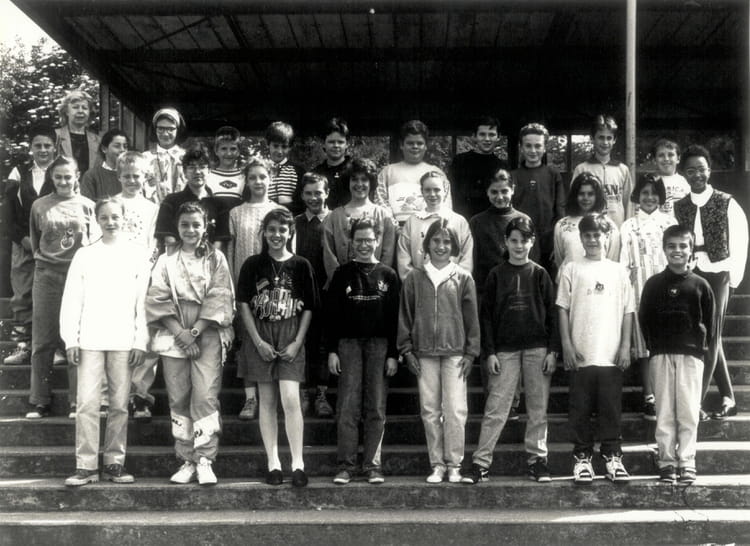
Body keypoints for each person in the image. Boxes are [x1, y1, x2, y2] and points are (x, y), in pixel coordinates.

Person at [462, 217, 559, 485]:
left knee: (537, 410)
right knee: (496, 408)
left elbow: (552, 315)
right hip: (505, 351)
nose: (519, 245)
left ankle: (537, 461)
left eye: (524, 240)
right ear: (506, 242)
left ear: (532, 242)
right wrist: (490, 352)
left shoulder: (539, 274)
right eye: (513, 240)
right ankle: (481, 463)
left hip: (537, 349)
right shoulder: (496, 274)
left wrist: (553, 351)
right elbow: (486, 317)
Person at [61, 198, 150, 487]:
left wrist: (140, 340)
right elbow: (72, 299)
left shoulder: (137, 254)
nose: (110, 222)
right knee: (87, 403)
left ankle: (114, 463)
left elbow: (143, 302)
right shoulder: (85, 255)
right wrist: (71, 339)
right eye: (104, 217)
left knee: (119, 405)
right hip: (90, 339)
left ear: (124, 219)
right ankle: (86, 466)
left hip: (124, 340)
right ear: (97, 220)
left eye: (115, 217)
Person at [145, 201, 234, 485]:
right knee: (179, 396)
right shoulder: (165, 260)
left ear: (205, 226)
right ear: (177, 226)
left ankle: (205, 458)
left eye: (196, 224)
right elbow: (156, 298)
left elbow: (220, 295)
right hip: (173, 327)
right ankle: (186, 459)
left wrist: (194, 332)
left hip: (206, 327)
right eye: (185, 224)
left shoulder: (215, 258)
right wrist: (180, 333)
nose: (190, 230)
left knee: (205, 394)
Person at [237, 208, 318, 488]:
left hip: (290, 332)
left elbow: (309, 307)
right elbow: (243, 304)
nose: (276, 235)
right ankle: (273, 463)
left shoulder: (301, 265)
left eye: (282, 230)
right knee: (267, 401)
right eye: (271, 229)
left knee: (291, 399)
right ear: (264, 232)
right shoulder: (252, 264)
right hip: (261, 332)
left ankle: (298, 463)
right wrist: (257, 342)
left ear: (290, 232)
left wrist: (297, 342)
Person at [398, 219, 479, 484]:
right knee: (430, 410)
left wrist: (471, 353)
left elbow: (472, 320)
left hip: (455, 353)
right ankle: (437, 465)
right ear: (427, 244)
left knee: (455, 410)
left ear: (454, 245)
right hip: (424, 354)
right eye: (436, 241)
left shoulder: (463, 278)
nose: (441, 246)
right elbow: (405, 316)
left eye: (446, 241)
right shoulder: (414, 278)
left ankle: (454, 464)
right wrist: (407, 350)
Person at [557, 214, 635, 485]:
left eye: (597, 235)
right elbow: (562, 308)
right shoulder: (571, 269)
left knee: (610, 408)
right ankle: (582, 458)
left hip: (610, 354)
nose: (592, 240)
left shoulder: (618, 271)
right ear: (581, 238)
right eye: (587, 235)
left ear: (607, 237)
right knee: (580, 409)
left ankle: (613, 457)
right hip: (581, 354)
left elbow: (628, 311)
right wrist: (567, 345)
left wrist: (625, 346)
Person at [674, 145, 749, 419]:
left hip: (719, 272)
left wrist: (733, 277)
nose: (697, 175)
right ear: (684, 173)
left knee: (711, 336)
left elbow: (740, 240)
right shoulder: (680, 206)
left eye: (701, 169)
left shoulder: (726, 202)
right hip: (692, 273)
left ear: (710, 170)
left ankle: (696, 401)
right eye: (691, 170)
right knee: (704, 335)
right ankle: (729, 398)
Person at [639, 225, 715, 485]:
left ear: (691, 249)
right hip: (661, 354)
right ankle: (667, 462)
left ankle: (687, 460)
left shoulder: (701, 285)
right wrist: (655, 347)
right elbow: (644, 318)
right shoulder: (653, 285)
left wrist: (698, 350)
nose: (677, 251)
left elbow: (710, 324)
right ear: (664, 249)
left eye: (683, 246)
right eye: (672, 246)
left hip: (691, 356)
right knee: (665, 411)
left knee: (688, 410)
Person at [25, 156, 100, 419]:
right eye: (58, 177)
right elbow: (36, 240)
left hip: (77, 276)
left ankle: (76, 401)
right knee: (43, 340)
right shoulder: (39, 205)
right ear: (51, 178)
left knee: (76, 338)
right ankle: (39, 401)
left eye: (68, 176)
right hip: (47, 275)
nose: (64, 181)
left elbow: (94, 243)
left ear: (77, 176)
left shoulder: (88, 206)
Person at [326, 217, 399, 485]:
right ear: (351, 242)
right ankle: (346, 465)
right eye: (359, 240)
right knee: (348, 405)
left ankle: (372, 465)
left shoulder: (388, 275)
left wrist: (393, 354)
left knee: (376, 406)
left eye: (369, 240)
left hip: (380, 345)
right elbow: (331, 315)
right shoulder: (342, 273)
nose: (364, 245)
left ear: (377, 241)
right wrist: (332, 350)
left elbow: (395, 318)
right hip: (348, 344)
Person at [228, 157, 284, 421]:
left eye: (263, 176)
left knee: (273, 340)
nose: (258, 181)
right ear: (246, 181)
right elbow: (230, 252)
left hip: (274, 288)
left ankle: (273, 397)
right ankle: (250, 398)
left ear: (270, 179)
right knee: (248, 343)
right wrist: (232, 286)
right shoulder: (236, 213)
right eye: (252, 177)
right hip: (245, 286)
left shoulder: (279, 211)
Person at [619, 174, 676, 420]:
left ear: (660, 197)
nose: (649, 198)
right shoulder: (628, 226)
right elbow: (623, 262)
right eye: (645, 193)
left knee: (666, 344)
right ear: (637, 196)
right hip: (639, 291)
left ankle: (668, 396)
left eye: (654, 193)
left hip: (667, 291)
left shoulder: (669, 223)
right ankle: (649, 397)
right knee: (644, 347)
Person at [3, 124, 57, 365]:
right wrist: (23, 239)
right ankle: (23, 346)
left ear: (55, 147)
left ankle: (54, 347)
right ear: (31, 148)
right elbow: (8, 213)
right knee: (23, 294)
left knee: (53, 295)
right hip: (23, 243)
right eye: (38, 145)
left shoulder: (61, 172)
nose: (43, 150)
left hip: (53, 246)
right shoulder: (19, 173)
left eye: (47, 145)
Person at [114, 151, 160, 422]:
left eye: (137, 176)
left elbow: (155, 245)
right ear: (119, 176)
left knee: (145, 335)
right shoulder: (112, 204)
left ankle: (141, 395)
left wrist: (145, 269)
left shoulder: (152, 208)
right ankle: (118, 394)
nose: (132, 181)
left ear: (145, 177)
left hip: (144, 276)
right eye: (127, 176)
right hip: (117, 277)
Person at [294, 172, 335, 417]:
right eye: (308, 193)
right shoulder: (295, 223)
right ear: (301, 195)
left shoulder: (335, 220)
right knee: (302, 343)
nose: (313, 198)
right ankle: (302, 391)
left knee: (323, 344)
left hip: (328, 292)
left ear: (327, 193)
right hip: (301, 294)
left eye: (318, 192)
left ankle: (321, 393)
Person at [322, 157, 397, 284]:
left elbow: (387, 254)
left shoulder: (383, 216)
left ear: (371, 182)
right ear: (348, 181)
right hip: (342, 286)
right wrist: (340, 282)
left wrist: (377, 281)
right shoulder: (334, 216)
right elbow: (329, 254)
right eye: (354, 179)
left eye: (364, 179)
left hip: (375, 286)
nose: (359, 184)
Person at [469, 165, 534, 297]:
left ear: (513, 190)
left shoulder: (524, 220)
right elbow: (473, 260)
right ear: (487, 192)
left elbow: (531, 260)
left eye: (504, 191)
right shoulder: (477, 222)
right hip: (486, 290)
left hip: (517, 288)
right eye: (494, 192)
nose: (499, 197)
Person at [511, 123, 567, 274]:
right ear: (521, 147)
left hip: (548, 243)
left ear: (545, 148)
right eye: (528, 146)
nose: (533, 150)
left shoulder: (553, 174)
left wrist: (557, 242)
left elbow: (560, 210)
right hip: (522, 241)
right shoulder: (513, 176)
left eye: (538, 146)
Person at [396, 170, 473, 279]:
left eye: (437, 190)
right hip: (419, 285)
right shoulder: (412, 222)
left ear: (445, 190)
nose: (432, 194)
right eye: (427, 190)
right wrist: (415, 283)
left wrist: (454, 282)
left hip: (452, 284)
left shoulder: (459, 221)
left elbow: (467, 258)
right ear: (422, 191)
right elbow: (403, 258)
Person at [375, 120, 451, 225]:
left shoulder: (437, 173)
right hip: (395, 230)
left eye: (419, 143)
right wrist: (395, 228)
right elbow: (380, 204)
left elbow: (445, 207)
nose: (415, 146)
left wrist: (429, 228)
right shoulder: (387, 172)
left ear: (426, 146)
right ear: (401, 145)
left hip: (429, 229)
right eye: (410, 143)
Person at [154, 146, 225, 255]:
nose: (197, 172)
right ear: (184, 172)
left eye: (202, 167)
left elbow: (219, 241)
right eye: (192, 167)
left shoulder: (219, 205)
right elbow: (169, 239)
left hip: (209, 260)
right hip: (177, 260)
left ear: (209, 171)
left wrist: (209, 260)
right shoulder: (171, 201)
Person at [571, 114, 632, 228]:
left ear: (614, 140)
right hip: (589, 230)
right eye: (601, 137)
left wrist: (628, 228)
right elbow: (574, 202)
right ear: (592, 139)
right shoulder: (582, 169)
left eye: (609, 138)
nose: (605, 142)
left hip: (617, 227)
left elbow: (629, 203)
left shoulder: (622, 169)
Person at [553, 172, 620, 273]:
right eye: (581, 194)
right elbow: (560, 260)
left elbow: (612, 260)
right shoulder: (562, 225)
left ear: (597, 196)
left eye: (590, 194)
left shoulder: (609, 226)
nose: (586, 198)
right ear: (575, 196)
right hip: (570, 279)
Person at [447, 116, 505, 219]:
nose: (487, 139)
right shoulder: (459, 161)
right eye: (482, 134)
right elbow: (449, 194)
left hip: (491, 222)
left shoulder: (502, 167)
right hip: (463, 220)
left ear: (498, 137)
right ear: (474, 136)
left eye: (491, 134)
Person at [206, 126, 245, 253]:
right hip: (215, 236)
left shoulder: (244, 178)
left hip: (238, 234)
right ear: (216, 150)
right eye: (223, 148)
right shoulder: (208, 177)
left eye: (233, 149)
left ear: (238, 151)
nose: (228, 153)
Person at [142, 108, 187, 203]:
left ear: (178, 130)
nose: (165, 134)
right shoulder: (144, 158)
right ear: (155, 130)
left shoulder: (187, 157)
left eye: (171, 129)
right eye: (161, 128)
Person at [54, 89, 100, 176]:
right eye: (75, 107)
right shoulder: (56, 136)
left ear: (89, 112)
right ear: (66, 111)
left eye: (84, 108)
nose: (80, 111)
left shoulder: (98, 140)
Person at [312, 117, 353, 210]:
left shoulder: (354, 171)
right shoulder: (315, 173)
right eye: (331, 142)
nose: (336, 145)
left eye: (340, 142)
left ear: (347, 144)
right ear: (323, 143)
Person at [265, 121, 305, 214]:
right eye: (275, 146)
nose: (279, 151)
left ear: (290, 147)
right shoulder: (262, 170)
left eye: (284, 147)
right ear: (268, 144)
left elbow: (302, 202)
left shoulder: (298, 171)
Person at [80, 129, 130, 201]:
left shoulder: (131, 175)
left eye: (125, 146)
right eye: (117, 146)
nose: (122, 150)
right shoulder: (91, 176)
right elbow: (87, 204)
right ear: (104, 149)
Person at [651, 138, 690, 216]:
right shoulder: (650, 182)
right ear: (654, 160)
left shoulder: (684, 182)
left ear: (678, 159)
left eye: (670, 155)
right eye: (661, 155)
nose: (666, 159)